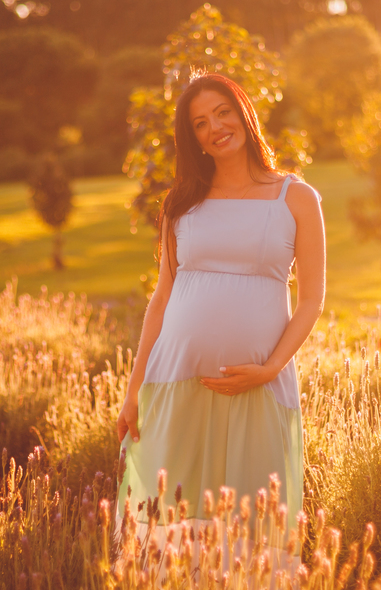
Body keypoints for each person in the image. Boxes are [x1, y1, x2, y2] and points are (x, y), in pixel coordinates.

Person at [115, 72, 326, 532]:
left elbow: (312, 300)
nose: (215, 127)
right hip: (175, 381)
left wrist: (270, 369)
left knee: (253, 524)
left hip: (258, 386)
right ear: (194, 139)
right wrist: (134, 391)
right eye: (200, 123)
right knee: (167, 520)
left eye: (223, 112)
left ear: (243, 113)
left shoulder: (297, 198)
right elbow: (162, 297)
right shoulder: (181, 203)